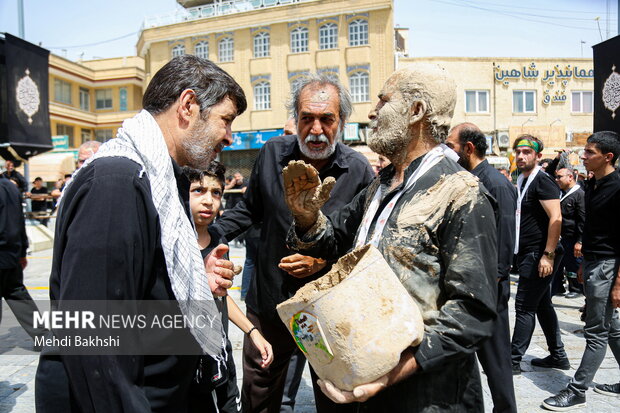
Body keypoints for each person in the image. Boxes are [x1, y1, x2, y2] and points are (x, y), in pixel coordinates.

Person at [35, 55, 245, 412]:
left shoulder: (161, 179)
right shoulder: (115, 184)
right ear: (188, 106)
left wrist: (193, 277)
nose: (229, 135)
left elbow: (136, 286)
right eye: (225, 120)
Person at [283, 64, 498, 412]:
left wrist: (392, 374)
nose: (373, 111)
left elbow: (472, 313)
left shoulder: (461, 193)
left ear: (416, 112)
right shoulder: (381, 185)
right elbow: (334, 241)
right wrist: (306, 215)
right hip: (370, 387)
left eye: (384, 101)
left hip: (428, 395)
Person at [212, 73, 375, 412]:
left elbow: (365, 247)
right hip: (270, 304)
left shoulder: (358, 170)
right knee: (258, 397)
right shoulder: (272, 154)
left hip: (327, 311)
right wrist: (202, 236)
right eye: (307, 118)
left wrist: (322, 264)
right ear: (296, 119)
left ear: (341, 121)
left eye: (326, 119)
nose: (316, 129)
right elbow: (248, 210)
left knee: (334, 397)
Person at [184, 163, 273, 413]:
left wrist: (252, 332)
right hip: (188, 363)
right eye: (198, 191)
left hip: (221, 357)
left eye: (216, 193)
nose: (209, 200)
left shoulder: (218, 239)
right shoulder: (172, 242)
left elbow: (220, 297)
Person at [542, 131, 620, 411]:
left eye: (589, 153)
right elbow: (593, 228)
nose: (583, 156)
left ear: (607, 157)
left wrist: (618, 283)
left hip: (609, 266)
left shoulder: (617, 186)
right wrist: (584, 263)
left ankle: (577, 390)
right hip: (595, 263)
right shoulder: (593, 184)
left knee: (596, 332)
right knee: (612, 328)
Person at [446, 122, 517, 413]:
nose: (447, 152)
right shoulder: (463, 180)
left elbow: (505, 240)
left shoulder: (497, 184)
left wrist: (494, 282)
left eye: (451, 146)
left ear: (468, 148)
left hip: (489, 290)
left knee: (496, 363)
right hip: (465, 288)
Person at [509, 135, 568, 375]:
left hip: (539, 253)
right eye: (518, 152)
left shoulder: (542, 181)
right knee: (542, 305)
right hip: (529, 252)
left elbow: (557, 218)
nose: (521, 156)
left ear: (538, 156)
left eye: (526, 152)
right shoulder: (523, 179)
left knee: (524, 306)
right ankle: (558, 355)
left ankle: (512, 360)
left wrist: (548, 255)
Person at [0, 176, 46, 346]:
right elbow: (20, 222)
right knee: (16, 293)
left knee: (16, 292)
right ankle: (43, 336)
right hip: (12, 252)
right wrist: (22, 252)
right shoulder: (11, 188)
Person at [551, 167, 585, 298]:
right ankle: (556, 288)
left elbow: (583, 219)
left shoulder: (579, 194)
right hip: (560, 236)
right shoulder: (559, 192)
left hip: (573, 238)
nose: (557, 179)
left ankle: (577, 289)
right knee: (559, 266)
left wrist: (580, 241)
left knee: (574, 265)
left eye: (560, 177)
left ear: (570, 177)